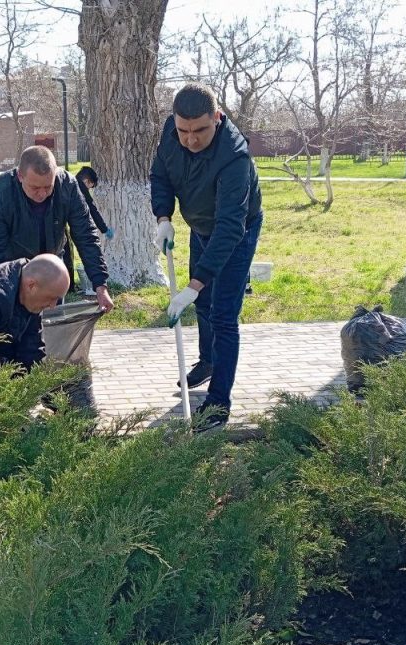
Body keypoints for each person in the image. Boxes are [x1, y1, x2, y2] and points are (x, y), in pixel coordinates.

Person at [150, 83, 263, 432]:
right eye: (184, 130)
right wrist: (164, 218)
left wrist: (195, 284)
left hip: (235, 233)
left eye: (200, 130)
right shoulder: (172, 133)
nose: (191, 139)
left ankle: (218, 404)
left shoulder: (234, 156)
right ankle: (208, 361)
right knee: (202, 307)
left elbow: (230, 227)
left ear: (217, 117)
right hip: (200, 226)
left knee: (223, 315)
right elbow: (161, 176)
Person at [0, 145, 114, 312]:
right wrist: (5, 291)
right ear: (20, 176)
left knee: (53, 330)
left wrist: (100, 285)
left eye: (48, 187)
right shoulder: (1, 192)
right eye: (35, 188)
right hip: (16, 274)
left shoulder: (68, 186)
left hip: (53, 272)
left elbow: (86, 235)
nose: (42, 194)